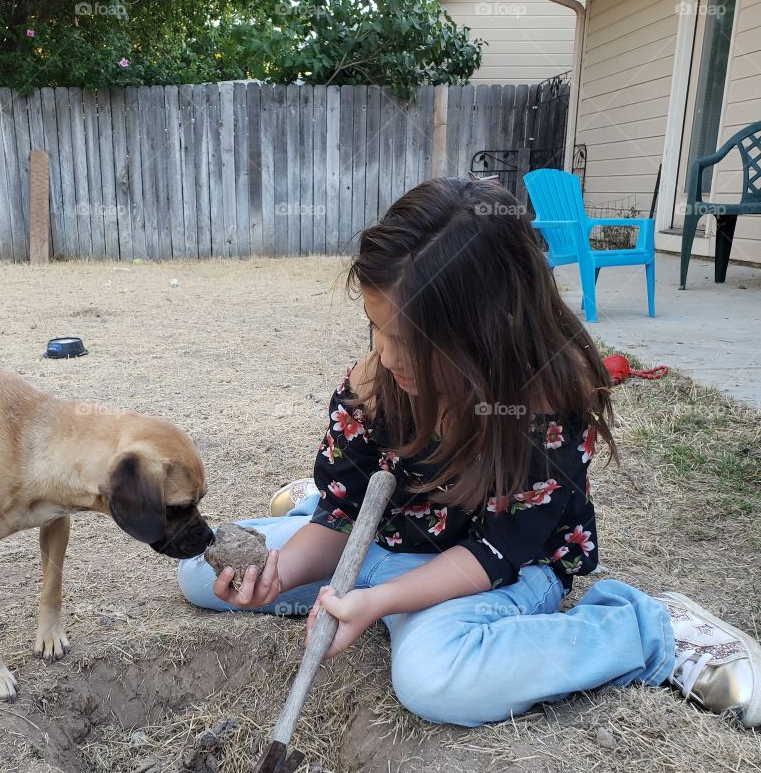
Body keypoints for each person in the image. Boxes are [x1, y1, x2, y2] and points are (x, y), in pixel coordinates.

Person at [178, 178, 761, 728]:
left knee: (434, 680)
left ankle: (646, 629)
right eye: (376, 327)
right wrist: (277, 577)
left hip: (493, 568)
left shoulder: (546, 411)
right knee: (201, 577)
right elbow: (347, 515)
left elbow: (497, 552)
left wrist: (378, 601)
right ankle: (305, 513)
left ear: (491, 330)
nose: (385, 353)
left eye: (408, 340)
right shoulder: (375, 386)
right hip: (383, 539)